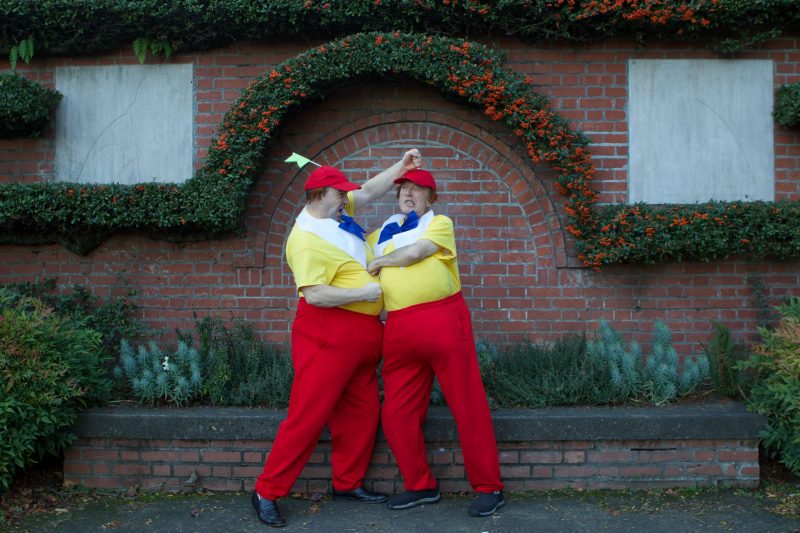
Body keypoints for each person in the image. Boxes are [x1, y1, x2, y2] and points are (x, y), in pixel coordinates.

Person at [252, 150, 422, 528]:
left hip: (361, 338)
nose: (347, 197)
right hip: (327, 335)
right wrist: (365, 293)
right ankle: (266, 490)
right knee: (307, 416)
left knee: (361, 412)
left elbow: (369, 190)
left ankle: (347, 483)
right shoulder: (305, 240)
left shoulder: (337, 213)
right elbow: (314, 295)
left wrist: (402, 167)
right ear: (318, 195)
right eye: (338, 193)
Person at [366, 168, 505, 518]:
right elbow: (352, 253)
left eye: (417, 189)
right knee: (396, 413)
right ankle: (420, 485)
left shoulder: (439, 223)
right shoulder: (378, 233)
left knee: (467, 404)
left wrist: (381, 261)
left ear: (431, 197)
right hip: (398, 328)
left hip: (442, 319)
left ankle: (489, 487)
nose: (408, 194)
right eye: (403, 189)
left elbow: (418, 252)